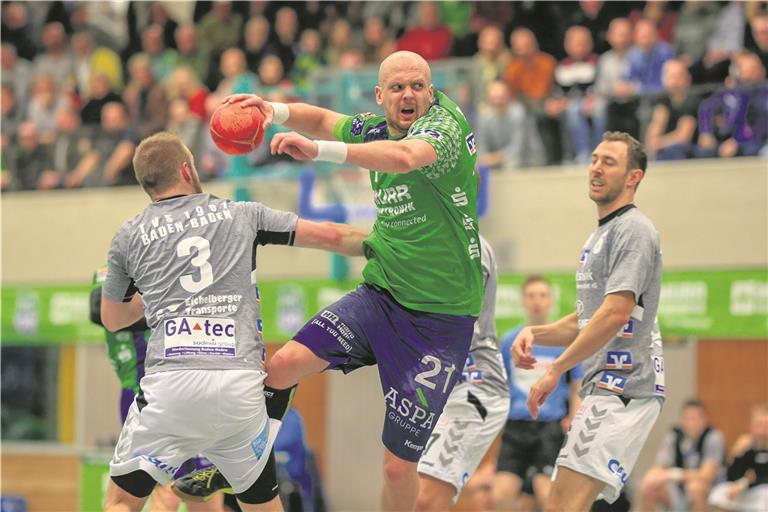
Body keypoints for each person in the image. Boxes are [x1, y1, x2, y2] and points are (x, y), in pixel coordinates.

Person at [177, 50, 483, 511]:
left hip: (440, 320)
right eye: (398, 87)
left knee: (397, 469)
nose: (409, 95)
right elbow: (322, 118)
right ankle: (239, 462)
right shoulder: (376, 128)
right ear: (379, 95)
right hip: (382, 296)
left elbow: (404, 157)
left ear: (431, 90)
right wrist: (272, 110)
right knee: (280, 367)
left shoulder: (444, 127)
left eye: (418, 86)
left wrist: (319, 151)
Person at [100, 131, 368, 512]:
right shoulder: (242, 213)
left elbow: (112, 320)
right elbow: (331, 236)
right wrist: (392, 249)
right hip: (238, 388)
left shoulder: (128, 236)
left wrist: (156, 298)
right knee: (261, 504)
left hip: (170, 388)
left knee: (121, 501)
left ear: (147, 185)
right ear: (187, 169)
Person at [512, 131, 665, 512]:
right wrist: (536, 332)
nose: (595, 168)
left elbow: (615, 313)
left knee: (562, 505)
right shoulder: (601, 233)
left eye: (608, 162)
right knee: (564, 504)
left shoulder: (633, 229)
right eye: (594, 159)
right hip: (605, 388)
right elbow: (588, 318)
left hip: (624, 385)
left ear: (633, 177)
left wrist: (556, 368)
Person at [415, 236, 510, 509]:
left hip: (474, 382)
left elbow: (450, 321)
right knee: (399, 482)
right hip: (438, 388)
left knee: (427, 496)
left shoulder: (466, 245)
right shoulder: (419, 242)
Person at [493, 275, 582, 511]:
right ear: (523, 301)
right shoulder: (510, 341)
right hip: (516, 426)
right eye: (531, 295)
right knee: (500, 495)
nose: (537, 301)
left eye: (542, 295)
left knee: (547, 495)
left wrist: (574, 419)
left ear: (551, 300)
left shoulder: (565, 342)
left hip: (549, 427)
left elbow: (577, 384)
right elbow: (501, 384)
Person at [639, 399, 726, 512]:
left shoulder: (713, 437)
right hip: (678, 487)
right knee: (648, 485)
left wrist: (674, 474)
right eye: (686, 418)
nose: (690, 423)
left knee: (695, 488)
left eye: (694, 418)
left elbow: (706, 475)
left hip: (710, 488)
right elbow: (660, 466)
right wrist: (653, 476)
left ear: (704, 420)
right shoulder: (674, 435)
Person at [709, 403, 768, 512]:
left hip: (762, 492)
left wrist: (744, 484)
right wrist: (737, 454)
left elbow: (763, 475)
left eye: (765, 425)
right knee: (719, 492)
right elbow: (732, 477)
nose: (762, 430)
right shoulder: (749, 447)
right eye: (758, 424)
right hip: (747, 491)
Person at [644, 59, 699, 161]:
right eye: (672, 76)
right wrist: (654, 142)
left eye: (680, 76)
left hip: (691, 149)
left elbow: (683, 137)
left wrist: (659, 143)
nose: (676, 81)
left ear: (688, 78)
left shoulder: (692, 100)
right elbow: (655, 130)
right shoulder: (662, 101)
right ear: (664, 79)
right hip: (666, 148)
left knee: (676, 149)